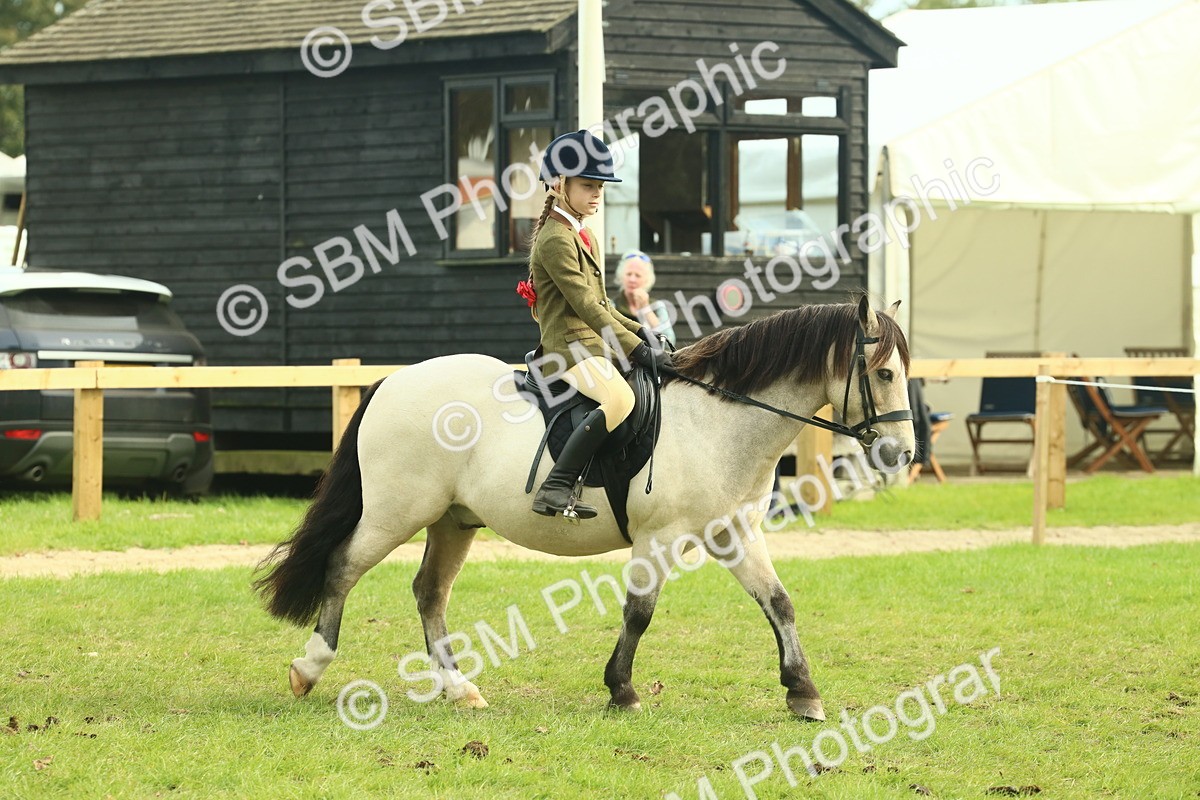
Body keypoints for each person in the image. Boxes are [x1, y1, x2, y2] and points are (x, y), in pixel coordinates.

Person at [517, 130, 673, 520]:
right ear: (559, 184)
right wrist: (636, 349)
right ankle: (556, 486)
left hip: (592, 344)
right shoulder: (555, 239)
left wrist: (642, 331)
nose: (597, 194)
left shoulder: (583, 235)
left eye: (600, 187)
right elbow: (586, 307)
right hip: (568, 349)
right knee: (620, 400)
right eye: (588, 186)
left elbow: (603, 305)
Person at [612, 250, 677, 347]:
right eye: (629, 274)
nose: (632, 279)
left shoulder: (658, 306)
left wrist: (646, 309)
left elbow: (669, 343)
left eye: (637, 275)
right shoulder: (612, 305)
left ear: (647, 280)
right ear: (621, 277)